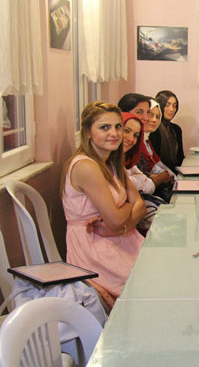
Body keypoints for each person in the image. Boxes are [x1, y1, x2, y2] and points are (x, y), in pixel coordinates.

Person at [61, 102, 145, 308]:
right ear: (88, 133)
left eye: (118, 127)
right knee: (150, 280)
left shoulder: (112, 163)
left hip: (121, 238)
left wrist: (123, 223)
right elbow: (116, 221)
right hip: (94, 247)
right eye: (104, 127)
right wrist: (128, 207)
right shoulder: (86, 166)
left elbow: (140, 206)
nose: (114, 134)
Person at [121, 112, 164, 235]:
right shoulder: (100, 164)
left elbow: (140, 205)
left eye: (136, 135)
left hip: (129, 226)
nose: (131, 139)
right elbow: (142, 187)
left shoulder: (127, 159)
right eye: (126, 131)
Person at [150, 90, 185, 172]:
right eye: (167, 105)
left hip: (176, 173)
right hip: (160, 173)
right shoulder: (153, 129)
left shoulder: (176, 129)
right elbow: (155, 162)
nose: (171, 109)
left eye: (174, 106)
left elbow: (180, 157)